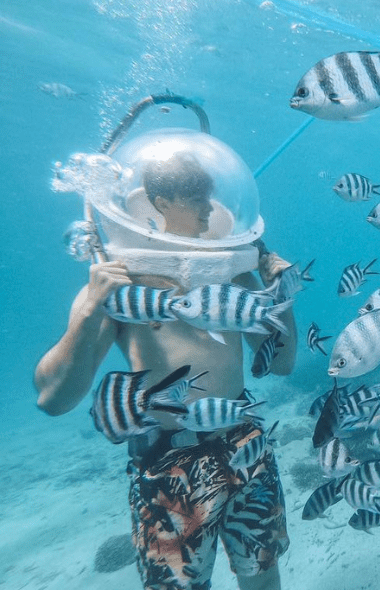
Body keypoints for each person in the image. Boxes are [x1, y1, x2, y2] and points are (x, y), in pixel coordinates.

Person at [34, 152, 296, 590]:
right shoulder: (120, 285)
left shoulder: (232, 275)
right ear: (161, 202)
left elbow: (283, 363)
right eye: (197, 200)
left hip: (243, 442)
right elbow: (53, 399)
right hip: (168, 462)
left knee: (264, 576)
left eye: (210, 198)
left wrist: (282, 293)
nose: (210, 210)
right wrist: (90, 308)